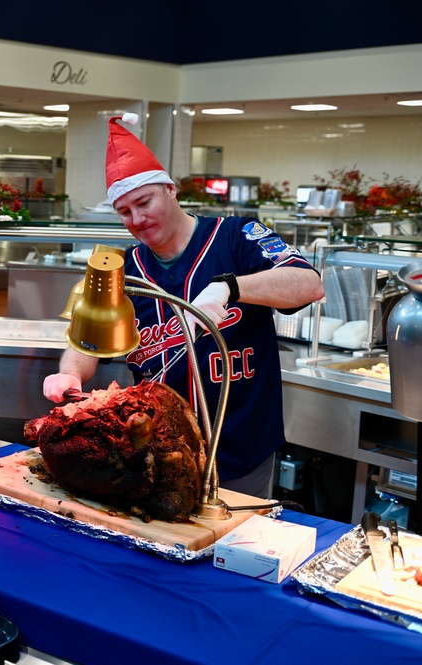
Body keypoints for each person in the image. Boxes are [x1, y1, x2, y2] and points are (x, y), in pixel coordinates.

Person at [43, 113, 324, 499]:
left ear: (170, 190)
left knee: (236, 550)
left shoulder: (236, 236)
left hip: (240, 445)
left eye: (144, 202)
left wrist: (230, 287)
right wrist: (70, 375)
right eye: (124, 212)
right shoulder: (124, 269)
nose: (138, 219)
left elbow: (309, 284)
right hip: (156, 455)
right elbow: (85, 343)